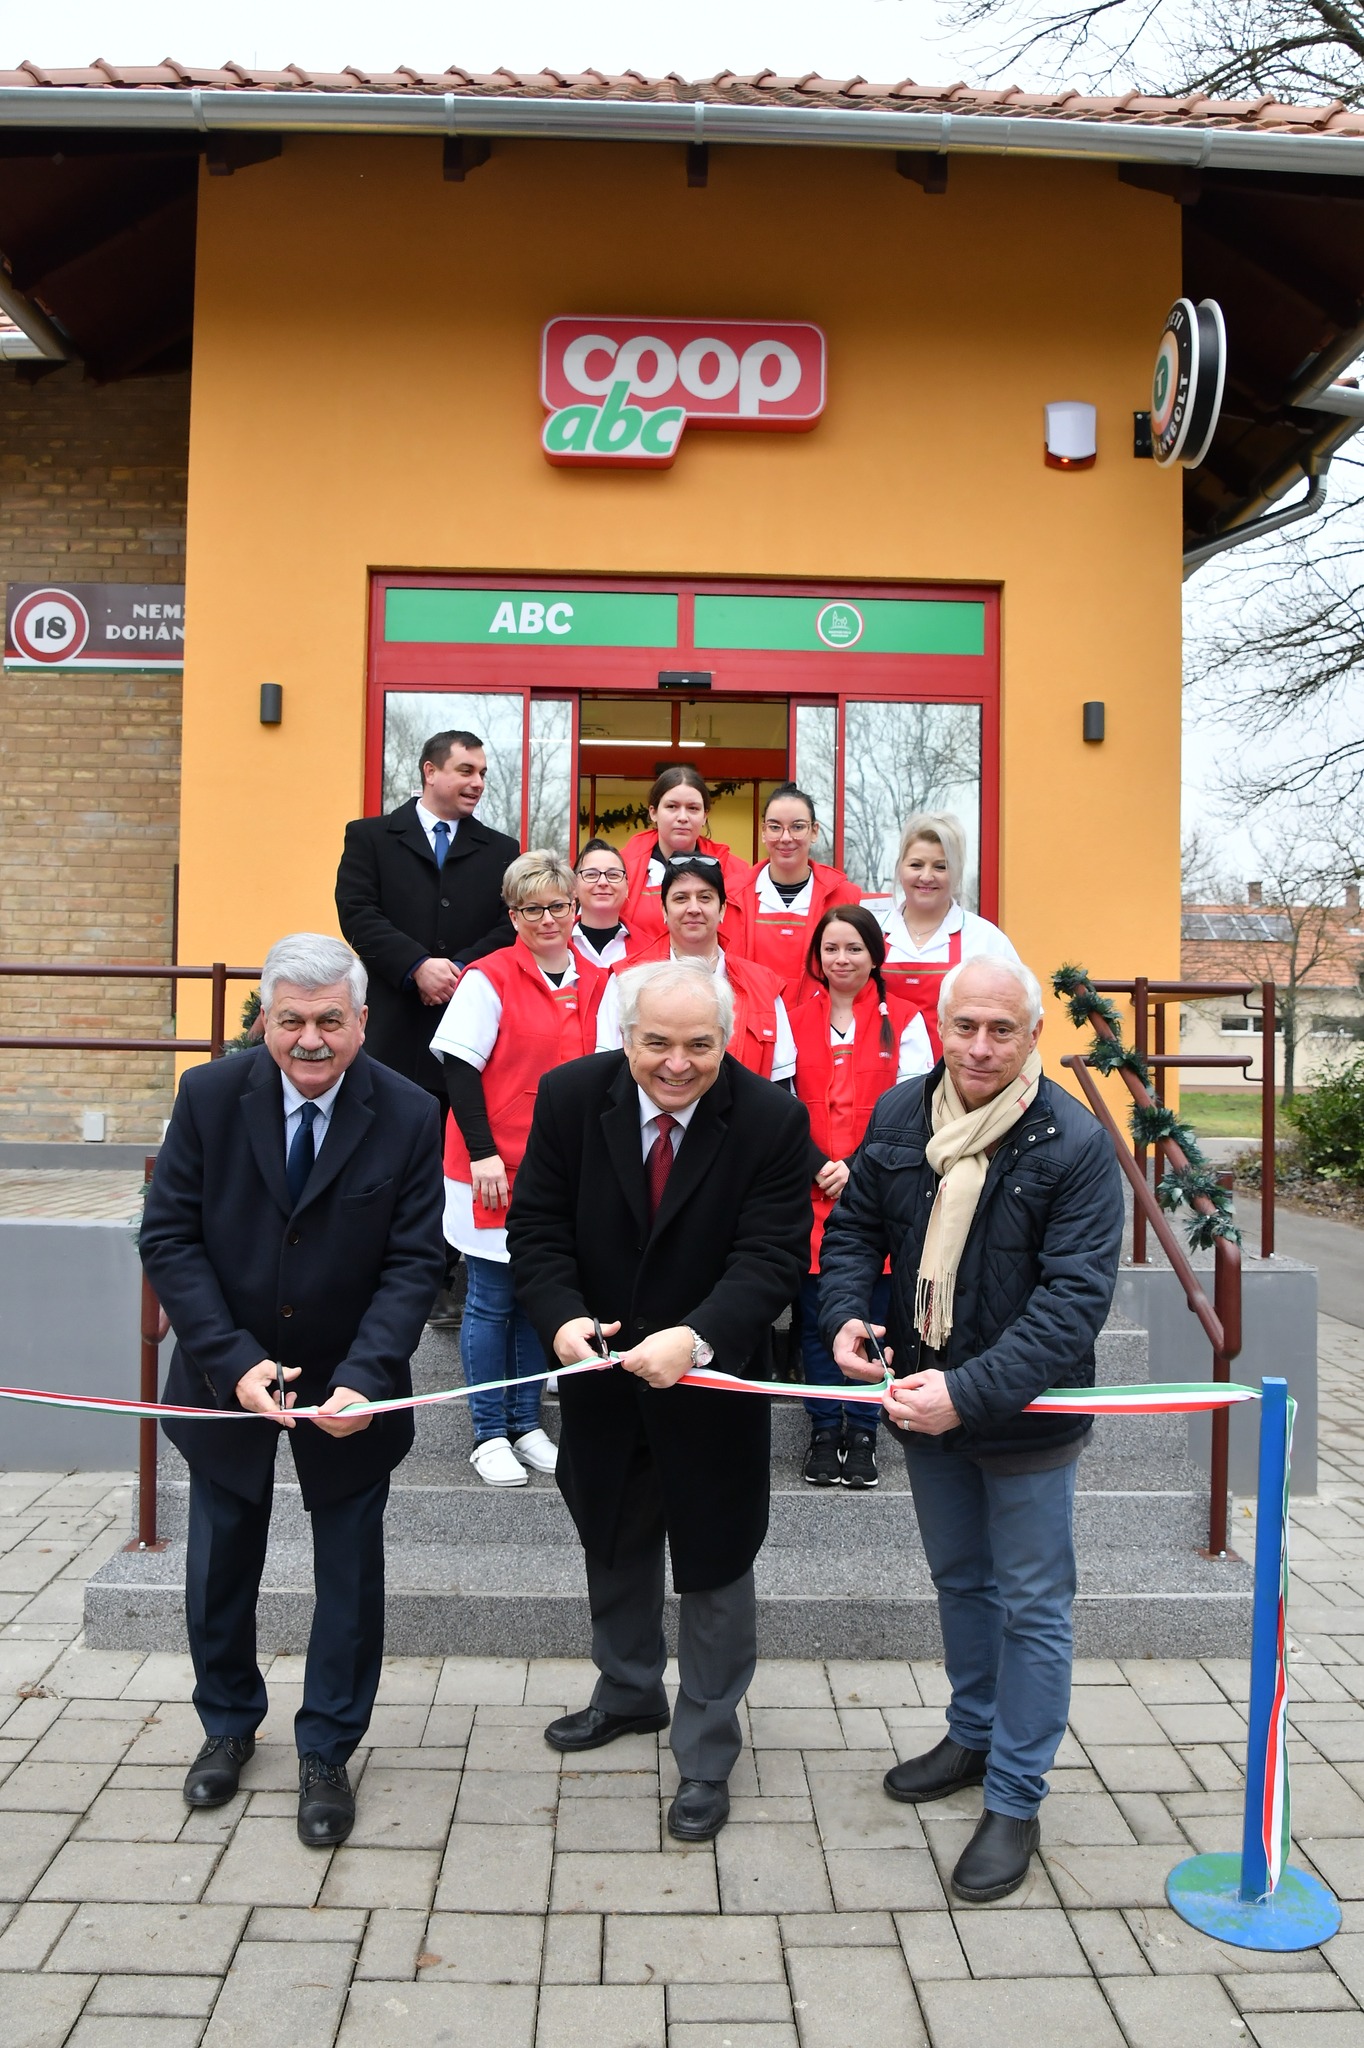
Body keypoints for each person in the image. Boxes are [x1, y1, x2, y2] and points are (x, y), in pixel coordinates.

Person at [818, 956, 1123, 1905]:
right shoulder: (901, 1115)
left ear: (1034, 1036)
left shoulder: (1074, 1143)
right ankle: (973, 1734)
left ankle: (1016, 1796)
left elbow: (1073, 1304)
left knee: (1033, 1605)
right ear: (939, 1028)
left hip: (1025, 1416)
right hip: (927, 1403)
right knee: (960, 1582)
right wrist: (844, 1315)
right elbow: (855, 1231)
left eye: (1001, 1031)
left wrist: (969, 1390)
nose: (981, 1048)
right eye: (965, 1028)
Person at [138, 934, 445, 1848]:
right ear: (264, 1021)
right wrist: (231, 1360)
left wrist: (365, 1376)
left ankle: (327, 1749)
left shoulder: (409, 1111)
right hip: (224, 1371)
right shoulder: (207, 1097)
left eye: (330, 1021)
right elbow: (169, 1238)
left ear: (362, 1021)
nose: (311, 1040)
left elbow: (414, 1262)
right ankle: (228, 1725)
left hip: (350, 1384)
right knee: (218, 1561)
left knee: (348, 1573)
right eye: (291, 1020)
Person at [507, 960, 812, 1841]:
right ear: (625, 1036)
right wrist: (561, 1318)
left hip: (710, 1385)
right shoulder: (571, 1098)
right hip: (601, 1379)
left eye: (699, 1045)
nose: (677, 1063)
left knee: (715, 1562)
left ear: (728, 1039)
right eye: (657, 1043)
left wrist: (699, 1335)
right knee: (612, 1537)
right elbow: (536, 1228)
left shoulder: (771, 1119)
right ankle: (628, 1691)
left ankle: (707, 1749)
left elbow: (771, 1256)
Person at [429, 851, 607, 1487]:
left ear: (576, 909)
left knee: (540, 1298)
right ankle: (488, 1432)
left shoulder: (599, 980)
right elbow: (460, 1071)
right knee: (491, 1297)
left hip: (557, 1170)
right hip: (491, 1166)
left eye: (558, 906)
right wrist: (484, 1153)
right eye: (532, 909)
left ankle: (527, 1424)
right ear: (512, 915)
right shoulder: (488, 978)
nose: (547, 919)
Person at [335, 728, 519, 1323]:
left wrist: (459, 970)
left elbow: (509, 923)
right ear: (429, 771)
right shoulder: (370, 838)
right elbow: (357, 912)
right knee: (382, 1152)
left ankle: (441, 1277)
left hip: (465, 1031)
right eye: (466, 770)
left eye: (482, 773)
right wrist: (416, 965)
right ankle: (371, 1270)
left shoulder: (501, 849)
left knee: (448, 1154)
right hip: (392, 1029)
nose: (478, 783)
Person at [791, 906, 933, 1491]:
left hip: (880, 1190)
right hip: (807, 1191)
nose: (841, 959)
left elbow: (916, 1107)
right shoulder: (793, 1016)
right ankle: (825, 1431)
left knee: (875, 1319)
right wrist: (817, 1164)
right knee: (816, 1320)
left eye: (854, 948)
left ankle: (866, 1431)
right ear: (817, 957)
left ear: (875, 955)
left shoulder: (908, 1020)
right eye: (831, 948)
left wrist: (855, 1166)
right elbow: (779, 1102)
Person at [596, 856, 795, 1082]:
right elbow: (609, 1072)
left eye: (705, 897)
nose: (693, 908)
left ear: (722, 909)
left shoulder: (763, 986)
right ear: (664, 910)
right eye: (681, 898)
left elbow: (782, 1082)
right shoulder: (626, 980)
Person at [870, 812, 1019, 1057]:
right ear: (900, 868)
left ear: (957, 873)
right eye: (916, 865)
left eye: (941, 867)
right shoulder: (869, 934)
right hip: (879, 1073)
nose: (926, 876)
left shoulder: (986, 939)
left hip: (960, 1074)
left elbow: (1023, 1017)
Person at [729, 782, 862, 1005]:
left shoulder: (846, 898)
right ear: (763, 832)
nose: (786, 837)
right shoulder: (731, 896)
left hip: (821, 1020)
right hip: (748, 1021)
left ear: (814, 831)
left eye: (797, 827)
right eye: (775, 827)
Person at [619, 765, 752, 951]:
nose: (682, 817)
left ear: (704, 816)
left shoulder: (736, 872)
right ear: (653, 812)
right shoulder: (620, 870)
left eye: (693, 808)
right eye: (672, 806)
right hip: (641, 968)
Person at [572, 837, 632, 968]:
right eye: (591, 875)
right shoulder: (551, 946)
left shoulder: (652, 950)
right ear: (574, 887)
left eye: (613, 875)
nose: (603, 882)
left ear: (627, 888)